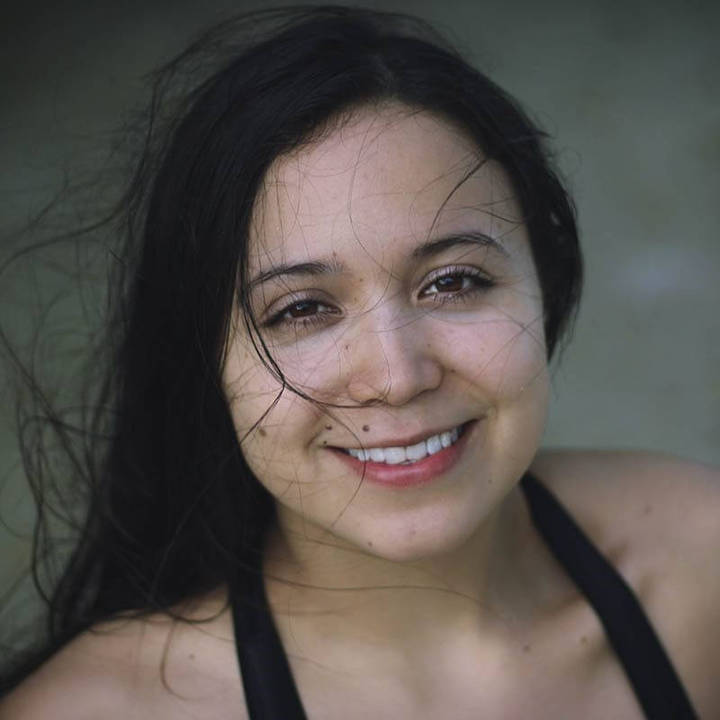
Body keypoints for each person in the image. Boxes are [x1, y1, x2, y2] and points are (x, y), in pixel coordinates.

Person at [0, 6, 717, 719]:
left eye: (453, 281)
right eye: (301, 309)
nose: (398, 377)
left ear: (545, 284)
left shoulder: (702, 568)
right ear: (205, 362)